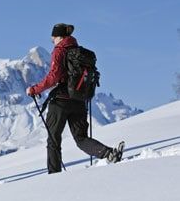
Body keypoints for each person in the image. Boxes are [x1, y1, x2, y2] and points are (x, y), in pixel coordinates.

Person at [26, 23, 124, 173]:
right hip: (79, 100)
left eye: (53, 39)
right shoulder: (79, 51)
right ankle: (109, 153)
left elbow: (53, 77)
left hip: (60, 101)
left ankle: (54, 175)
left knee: (53, 140)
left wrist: (34, 89)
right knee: (81, 138)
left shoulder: (59, 51)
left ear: (59, 37)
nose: (52, 41)